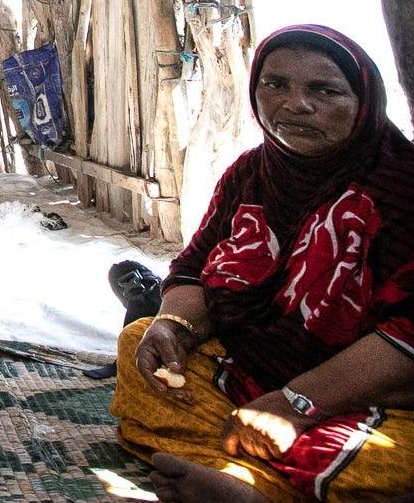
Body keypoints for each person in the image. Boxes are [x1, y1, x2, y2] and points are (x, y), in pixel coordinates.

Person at [114, 26, 414, 502]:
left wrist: (296, 403)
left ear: (364, 102)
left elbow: (407, 336)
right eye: (275, 85)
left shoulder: (400, 190)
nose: (294, 104)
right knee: (139, 344)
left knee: (387, 457)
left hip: (365, 394)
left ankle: (247, 484)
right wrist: (172, 325)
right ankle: (252, 478)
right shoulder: (252, 173)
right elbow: (195, 266)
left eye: (324, 89)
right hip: (249, 371)